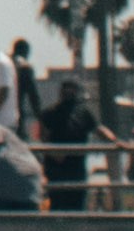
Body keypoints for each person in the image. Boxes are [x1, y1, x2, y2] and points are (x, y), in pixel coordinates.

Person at [37, 73, 102, 212]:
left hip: (77, 166)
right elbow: (43, 137)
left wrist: (116, 142)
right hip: (56, 167)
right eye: (65, 87)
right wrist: (53, 153)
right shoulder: (50, 112)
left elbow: (98, 129)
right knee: (57, 203)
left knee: (77, 203)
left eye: (71, 88)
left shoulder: (83, 113)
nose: (68, 91)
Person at [11, 37, 42, 132]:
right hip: (16, 114)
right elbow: (33, 95)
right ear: (26, 52)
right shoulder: (25, 67)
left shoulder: (1, 64)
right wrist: (39, 116)